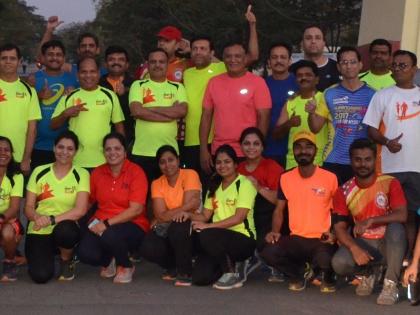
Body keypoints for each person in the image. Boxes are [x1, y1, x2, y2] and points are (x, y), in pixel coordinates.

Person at [260, 131, 338, 293]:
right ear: (293, 150)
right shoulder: (286, 177)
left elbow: (339, 211)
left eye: (308, 146)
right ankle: (298, 274)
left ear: (315, 150)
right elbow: (279, 209)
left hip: (322, 239)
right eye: (298, 147)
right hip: (296, 238)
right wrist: (275, 232)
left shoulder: (330, 177)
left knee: (325, 260)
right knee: (268, 252)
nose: (303, 151)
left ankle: (327, 276)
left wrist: (334, 234)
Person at [332, 138, 407, 305]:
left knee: (396, 228)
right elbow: (339, 228)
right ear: (351, 161)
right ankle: (369, 273)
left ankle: (390, 285)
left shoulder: (389, 182)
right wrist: (354, 248)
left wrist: (371, 220)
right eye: (357, 159)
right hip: (365, 243)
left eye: (367, 159)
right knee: (339, 263)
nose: (362, 164)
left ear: (375, 159)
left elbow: (402, 215)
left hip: (390, 243)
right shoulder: (343, 191)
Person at [172, 144, 257, 289]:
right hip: (217, 240)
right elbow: (205, 215)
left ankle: (232, 274)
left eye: (227, 161)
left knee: (207, 234)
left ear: (236, 164)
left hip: (243, 238)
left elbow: (239, 217)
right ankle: (231, 264)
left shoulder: (244, 184)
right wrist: (188, 215)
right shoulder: (214, 185)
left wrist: (208, 227)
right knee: (200, 278)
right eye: (218, 162)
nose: (222, 166)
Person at [363, 50, 420, 261]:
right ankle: (386, 260)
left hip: (417, 168)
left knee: (412, 215)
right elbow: (370, 129)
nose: (397, 69)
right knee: (389, 216)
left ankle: (409, 259)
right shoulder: (382, 95)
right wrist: (387, 142)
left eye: (403, 65)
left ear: (414, 69)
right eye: (394, 65)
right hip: (389, 167)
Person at [78, 132, 149, 284]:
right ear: (103, 152)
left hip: (132, 223)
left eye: (117, 149)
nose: (112, 153)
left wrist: (106, 224)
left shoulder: (136, 172)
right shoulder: (98, 172)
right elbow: (89, 201)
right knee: (85, 253)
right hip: (101, 222)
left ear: (125, 152)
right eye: (108, 149)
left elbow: (136, 209)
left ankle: (125, 265)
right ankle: (109, 260)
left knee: (109, 234)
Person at [24, 131, 90, 283]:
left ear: (76, 152)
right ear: (54, 148)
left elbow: (80, 210)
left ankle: (66, 260)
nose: (64, 152)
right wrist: (36, 217)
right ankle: (48, 253)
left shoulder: (82, 174)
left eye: (70, 148)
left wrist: (51, 220)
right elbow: (27, 207)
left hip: (64, 226)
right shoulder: (39, 171)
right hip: (39, 227)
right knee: (40, 276)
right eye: (60, 147)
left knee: (66, 230)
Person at [307, 46, 376, 184]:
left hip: (362, 162)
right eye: (344, 63)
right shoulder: (329, 93)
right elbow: (315, 128)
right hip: (333, 160)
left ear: (360, 65)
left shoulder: (373, 94)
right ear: (338, 67)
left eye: (353, 62)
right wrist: (311, 113)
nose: (349, 66)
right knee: (332, 203)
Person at [199, 42, 271, 174]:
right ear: (223, 59)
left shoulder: (258, 83)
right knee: (221, 193)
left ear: (245, 59)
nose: (233, 60)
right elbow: (206, 117)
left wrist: (258, 150)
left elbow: (264, 117)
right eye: (228, 56)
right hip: (220, 151)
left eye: (238, 56)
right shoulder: (214, 82)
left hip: (247, 152)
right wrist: (203, 150)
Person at [140, 145, 201, 286]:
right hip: (167, 224)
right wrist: (187, 206)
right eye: (162, 162)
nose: (167, 165)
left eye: (171, 160)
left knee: (178, 227)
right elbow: (161, 216)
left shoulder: (190, 174)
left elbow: (188, 212)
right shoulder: (156, 183)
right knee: (146, 247)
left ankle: (185, 272)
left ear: (178, 160)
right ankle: (173, 266)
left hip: (190, 223)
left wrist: (167, 214)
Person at [51, 57, 125, 169]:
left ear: (98, 73)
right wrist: (65, 114)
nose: (88, 76)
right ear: (77, 74)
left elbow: (119, 127)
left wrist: (122, 155)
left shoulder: (110, 95)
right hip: (74, 161)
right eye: (84, 72)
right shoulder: (69, 97)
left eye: (92, 71)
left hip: (104, 161)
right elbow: (53, 125)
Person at [129, 48, 187, 182]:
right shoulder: (138, 85)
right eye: (153, 62)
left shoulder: (177, 87)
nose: (157, 65)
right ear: (147, 65)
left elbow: (182, 111)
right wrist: (169, 114)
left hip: (169, 153)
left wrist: (150, 109)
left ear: (167, 65)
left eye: (161, 62)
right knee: (142, 197)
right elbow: (137, 111)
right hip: (142, 152)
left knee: (169, 197)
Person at [272, 60, 328, 170]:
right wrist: (289, 124)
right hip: (293, 164)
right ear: (296, 80)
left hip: (318, 163)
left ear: (317, 79)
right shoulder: (290, 102)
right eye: (299, 75)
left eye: (308, 75)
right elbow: (276, 135)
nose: (304, 78)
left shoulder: (325, 98)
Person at [31, 40, 78, 168]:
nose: (54, 57)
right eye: (50, 54)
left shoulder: (73, 80)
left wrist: (74, 94)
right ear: (43, 57)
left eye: (58, 54)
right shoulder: (33, 79)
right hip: (38, 145)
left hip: (66, 147)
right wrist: (38, 96)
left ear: (64, 58)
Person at [182, 36, 226, 173]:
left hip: (213, 139)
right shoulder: (186, 73)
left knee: (212, 186)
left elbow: (251, 56)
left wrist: (252, 25)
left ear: (212, 53)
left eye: (203, 49)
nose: (198, 52)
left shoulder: (221, 67)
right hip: (189, 140)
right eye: (194, 49)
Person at [237, 127, 284, 249]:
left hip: (267, 222)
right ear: (241, 146)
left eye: (256, 144)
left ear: (262, 147)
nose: (251, 147)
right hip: (242, 220)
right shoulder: (237, 168)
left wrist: (258, 187)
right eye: (247, 143)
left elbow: (279, 202)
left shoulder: (272, 167)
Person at [0, 43, 41, 175]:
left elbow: (32, 129)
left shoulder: (29, 91)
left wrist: (26, 158)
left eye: (12, 58)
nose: (8, 62)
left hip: (17, 158)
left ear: (19, 61)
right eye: (4, 58)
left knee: (16, 196)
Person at [264, 42, 298, 166]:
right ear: (269, 62)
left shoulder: (300, 84)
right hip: (268, 149)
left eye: (283, 57)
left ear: (290, 61)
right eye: (274, 57)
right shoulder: (261, 85)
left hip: (295, 150)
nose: (279, 61)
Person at [37, 16, 106, 76]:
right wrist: (49, 30)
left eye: (91, 46)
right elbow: (42, 59)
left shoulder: (106, 72)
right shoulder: (69, 69)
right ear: (78, 50)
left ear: (98, 50)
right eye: (83, 46)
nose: (87, 49)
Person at [99, 45, 135, 146]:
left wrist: (124, 95)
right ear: (105, 64)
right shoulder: (97, 84)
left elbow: (137, 112)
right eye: (112, 59)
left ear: (127, 64)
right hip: (100, 140)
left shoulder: (135, 85)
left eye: (121, 59)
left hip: (129, 141)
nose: (116, 62)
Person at [0, 136, 24, 281]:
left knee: (7, 233)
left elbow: (14, 208)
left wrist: (1, 219)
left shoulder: (16, 176)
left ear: (12, 153)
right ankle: (16, 254)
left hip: (9, 220)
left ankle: (10, 262)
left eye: (7, 150)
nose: (3, 153)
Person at [291, 25, 340, 91]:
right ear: (302, 43)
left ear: (324, 43)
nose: (313, 41)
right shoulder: (292, 70)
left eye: (317, 38)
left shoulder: (337, 69)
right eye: (308, 38)